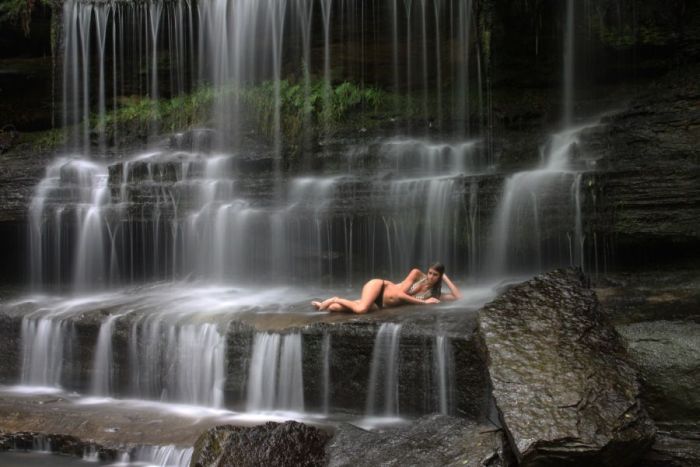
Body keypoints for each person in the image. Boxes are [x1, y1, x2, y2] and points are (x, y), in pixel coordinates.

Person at [312, 262, 462, 314]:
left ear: (439, 276)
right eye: (430, 272)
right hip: (380, 287)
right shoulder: (417, 274)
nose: (430, 276)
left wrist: (446, 278)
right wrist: (424, 302)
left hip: (381, 305)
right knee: (361, 310)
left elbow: (457, 297)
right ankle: (334, 298)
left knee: (335, 309)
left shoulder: (434, 294)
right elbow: (401, 295)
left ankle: (324, 304)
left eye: (435, 275)